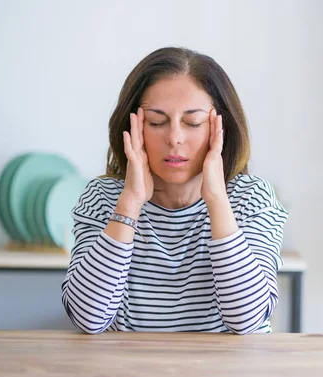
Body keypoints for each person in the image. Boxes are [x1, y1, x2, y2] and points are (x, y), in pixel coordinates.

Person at [61, 47, 288, 335]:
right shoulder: (103, 198)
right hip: (128, 376)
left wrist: (217, 200)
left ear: (221, 127)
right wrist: (130, 203)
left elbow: (247, 320)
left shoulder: (252, 198)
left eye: (193, 122)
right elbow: (87, 319)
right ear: (133, 127)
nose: (175, 138)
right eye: (156, 122)